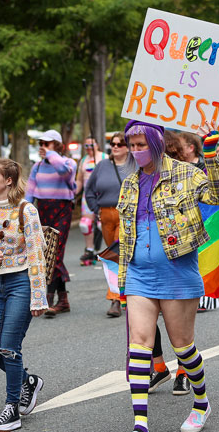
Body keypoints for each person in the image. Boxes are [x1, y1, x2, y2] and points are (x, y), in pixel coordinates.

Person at [115, 120, 219, 432]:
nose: (135, 152)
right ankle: (140, 427)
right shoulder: (131, 183)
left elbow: (218, 196)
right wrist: (123, 279)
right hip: (139, 275)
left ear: (156, 142)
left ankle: (202, 402)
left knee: (183, 348)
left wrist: (209, 152)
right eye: (131, 146)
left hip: (178, 275)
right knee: (139, 345)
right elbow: (126, 234)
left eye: (140, 145)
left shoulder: (186, 173)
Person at [0, 158, 47, 432]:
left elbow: (37, 254)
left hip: (21, 283)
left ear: (9, 181)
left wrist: (39, 297)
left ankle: (11, 408)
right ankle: (28, 382)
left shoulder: (27, 211)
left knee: (9, 349)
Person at [25, 130, 77, 316]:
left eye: (47, 143)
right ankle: (63, 300)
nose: (43, 147)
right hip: (43, 211)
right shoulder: (37, 167)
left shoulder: (69, 163)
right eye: (41, 143)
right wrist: (25, 213)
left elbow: (63, 171)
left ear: (57, 145)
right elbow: (30, 192)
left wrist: (50, 154)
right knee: (47, 252)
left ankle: (49, 296)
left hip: (62, 210)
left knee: (55, 253)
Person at [84, 132, 136, 317]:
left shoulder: (135, 165)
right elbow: (89, 190)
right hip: (105, 214)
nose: (115, 147)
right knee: (113, 254)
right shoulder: (102, 165)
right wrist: (95, 208)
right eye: (112, 144)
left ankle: (115, 299)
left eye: (119, 144)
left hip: (127, 215)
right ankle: (127, 294)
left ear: (128, 147)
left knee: (117, 255)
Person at [76, 136, 104, 265]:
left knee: (103, 224)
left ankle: (113, 250)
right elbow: (79, 180)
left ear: (97, 145)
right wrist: (72, 193)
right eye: (86, 146)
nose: (89, 148)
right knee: (85, 224)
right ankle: (89, 250)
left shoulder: (105, 158)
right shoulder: (83, 160)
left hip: (103, 195)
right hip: (87, 197)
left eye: (91, 145)